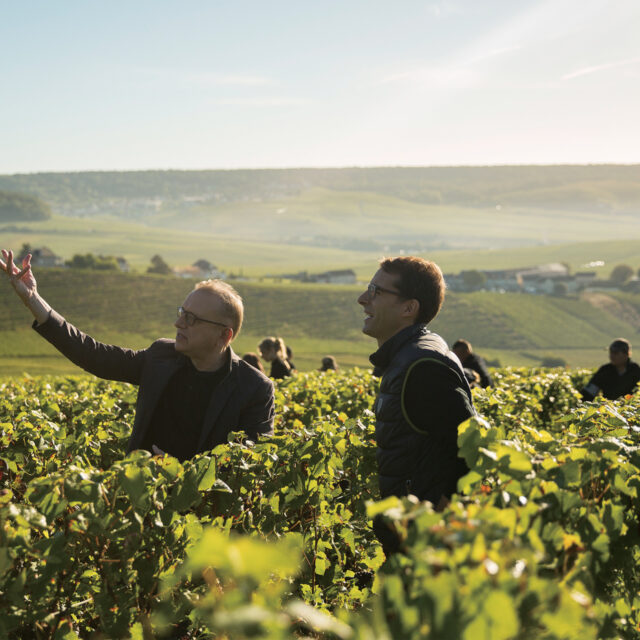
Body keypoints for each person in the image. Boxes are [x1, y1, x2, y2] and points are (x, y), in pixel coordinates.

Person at [0, 249, 275, 461]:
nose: (179, 324)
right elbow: (93, 355)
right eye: (181, 313)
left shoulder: (254, 389)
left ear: (224, 336)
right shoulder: (161, 357)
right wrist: (33, 300)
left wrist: (185, 472)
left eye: (191, 319)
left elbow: (251, 463)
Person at [357, 256, 475, 511]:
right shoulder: (410, 358)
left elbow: (471, 447)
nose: (363, 299)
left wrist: (434, 519)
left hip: (425, 538)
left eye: (375, 291)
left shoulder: (423, 366)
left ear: (409, 308)